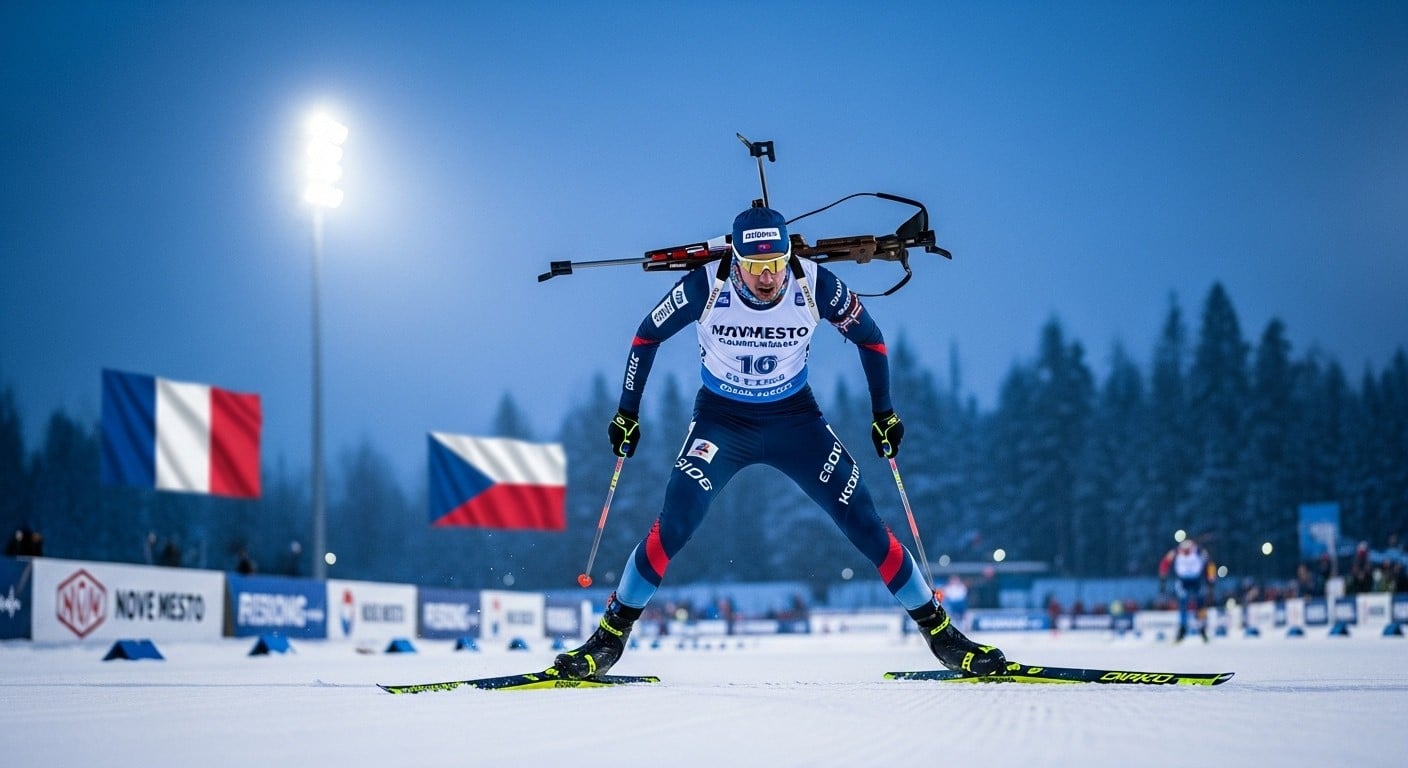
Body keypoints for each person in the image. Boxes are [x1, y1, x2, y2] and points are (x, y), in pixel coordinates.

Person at [553, 205, 1006, 679]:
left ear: (788, 255)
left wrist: (884, 414)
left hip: (795, 421)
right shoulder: (706, 285)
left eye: (774, 265)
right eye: (754, 266)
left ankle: (943, 638)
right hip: (722, 423)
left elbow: (871, 341)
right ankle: (607, 640)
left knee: (867, 525)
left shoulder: (816, 284)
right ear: (736, 260)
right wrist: (627, 412)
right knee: (675, 524)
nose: (766, 278)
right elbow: (646, 338)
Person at [1158, 538, 1216, 642]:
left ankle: (1202, 628)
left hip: (1196, 580)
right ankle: (1183, 628)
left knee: (1201, 604)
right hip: (1183, 581)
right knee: (1183, 603)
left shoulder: (1199, 551)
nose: (1186, 552)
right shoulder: (1175, 552)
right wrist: (1163, 577)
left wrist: (1211, 579)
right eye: (1184, 550)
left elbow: (1210, 564)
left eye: (1187, 550)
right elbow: (1165, 563)